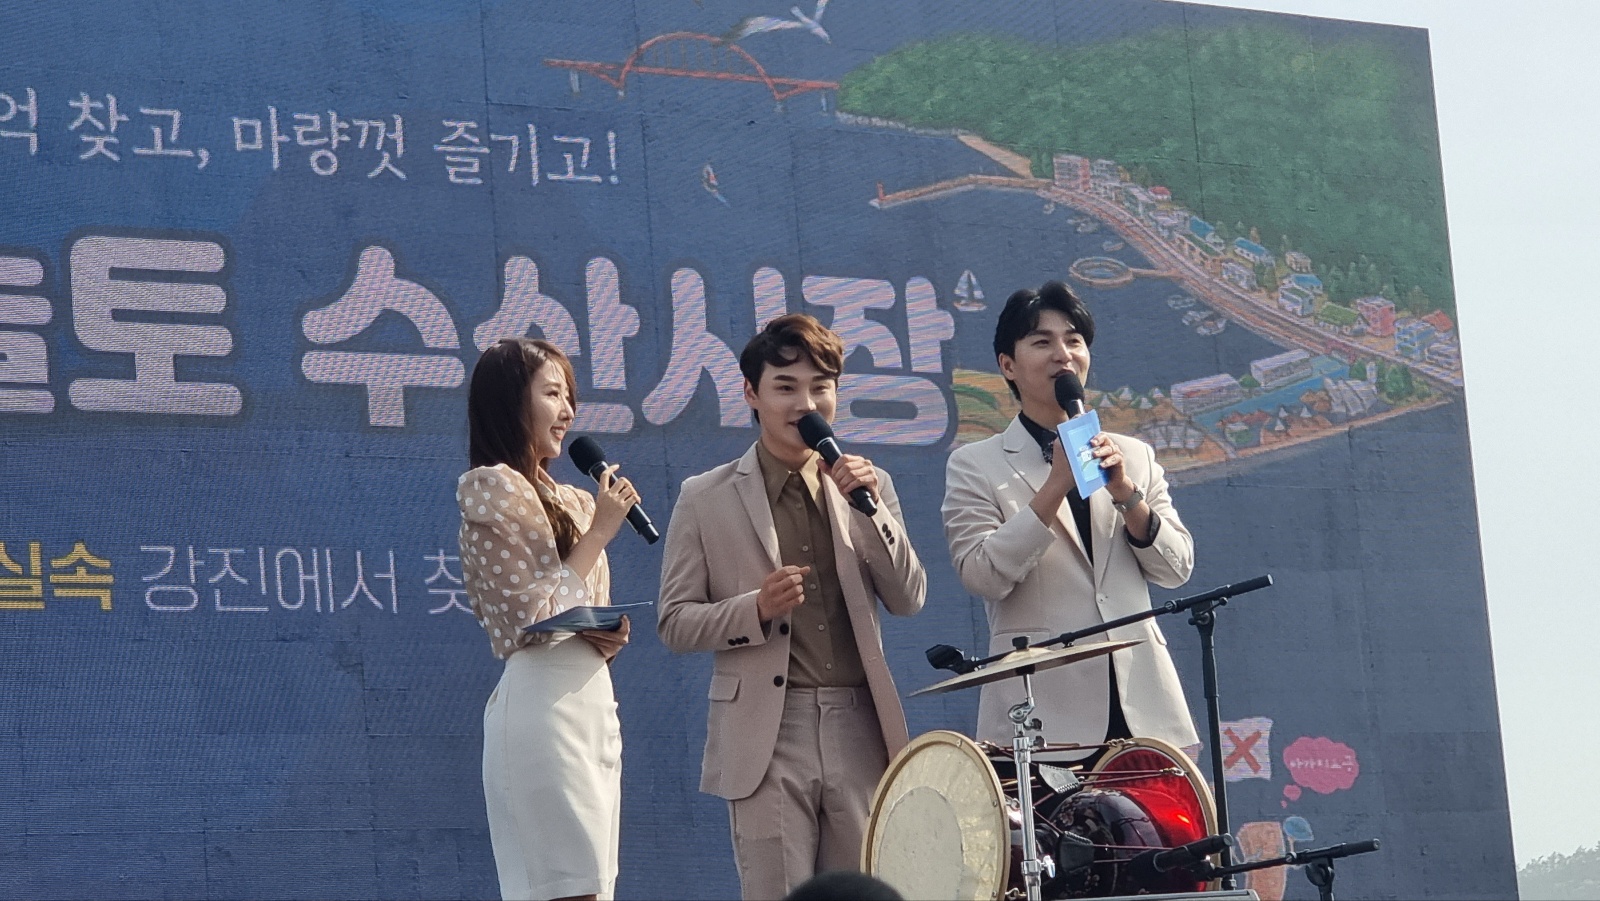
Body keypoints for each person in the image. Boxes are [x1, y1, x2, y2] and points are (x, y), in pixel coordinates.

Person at [657, 314, 927, 900]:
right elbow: (674, 621)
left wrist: (870, 509)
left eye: (820, 387)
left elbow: (909, 597)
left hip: (858, 724)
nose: (805, 404)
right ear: (751, 394)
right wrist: (754, 608)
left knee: (860, 893)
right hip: (768, 731)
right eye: (785, 387)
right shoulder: (705, 496)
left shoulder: (867, 484)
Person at [941, 281, 1199, 756]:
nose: (1063, 354)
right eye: (1042, 342)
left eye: (1074, 340)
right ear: (1008, 365)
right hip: (1043, 716)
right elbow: (981, 574)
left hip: (1144, 711)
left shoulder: (1133, 455)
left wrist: (1126, 494)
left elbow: (1176, 567)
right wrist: (1056, 484)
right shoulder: (975, 464)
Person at [458, 337, 642, 901]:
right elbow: (534, 616)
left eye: (570, 397)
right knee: (567, 887)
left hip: (593, 703)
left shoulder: (577, 500)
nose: (567, 411)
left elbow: (580, 607)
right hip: (544, 705)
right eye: (552, 394)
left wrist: (607, 632)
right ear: (510, 401)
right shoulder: (493, 487)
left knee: (596, 888)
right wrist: (601, 532)